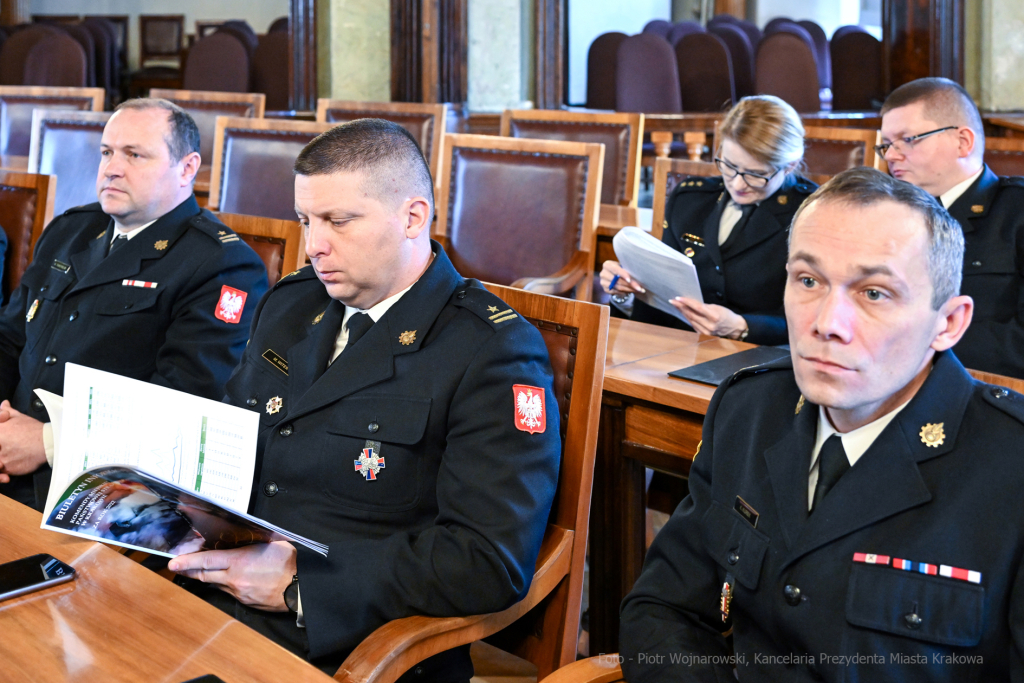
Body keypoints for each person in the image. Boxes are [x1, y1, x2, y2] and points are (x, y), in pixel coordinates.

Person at [168, 119, 561, 680]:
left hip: (348, 639)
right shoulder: (292, 303)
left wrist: (301, 586)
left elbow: (486, 560)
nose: (315, 245)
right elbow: (236, 435)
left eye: (339, 221)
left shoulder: (490, 349)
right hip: (220, 596)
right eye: (306, 220)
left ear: (412, 216)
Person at [620, 167, 1024, 681]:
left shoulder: (1010, 466)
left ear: (947, 323)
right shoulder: (749, 409)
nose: (826, 323)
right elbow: (663, 609)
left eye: (874, 293)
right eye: (808, 281)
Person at [0, 98, 268, 510]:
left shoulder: (222, 265)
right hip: (10, 455)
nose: (112, 168)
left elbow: (188, 405)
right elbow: (10, 337)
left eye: (135, 155)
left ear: (187, 168)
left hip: (104, 488)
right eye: (106, 152)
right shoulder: (72, 230)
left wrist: (49, 443)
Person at [600, 95, 817, 345]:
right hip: (677, 347)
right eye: (729, 166)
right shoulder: (690, 200)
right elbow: (661, 299)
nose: (737, 183)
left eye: (756, 175)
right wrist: (625, 293)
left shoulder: (811, 215)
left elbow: (816, 317)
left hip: (761, 358)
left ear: (789, 166)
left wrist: (744, 327)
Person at [880, 77, 1024, 378]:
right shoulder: (889, 215)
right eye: (886, 145)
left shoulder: (1015, 212)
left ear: (963, 142)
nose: (892, 155)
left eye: (908, 139)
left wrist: (917, 346)